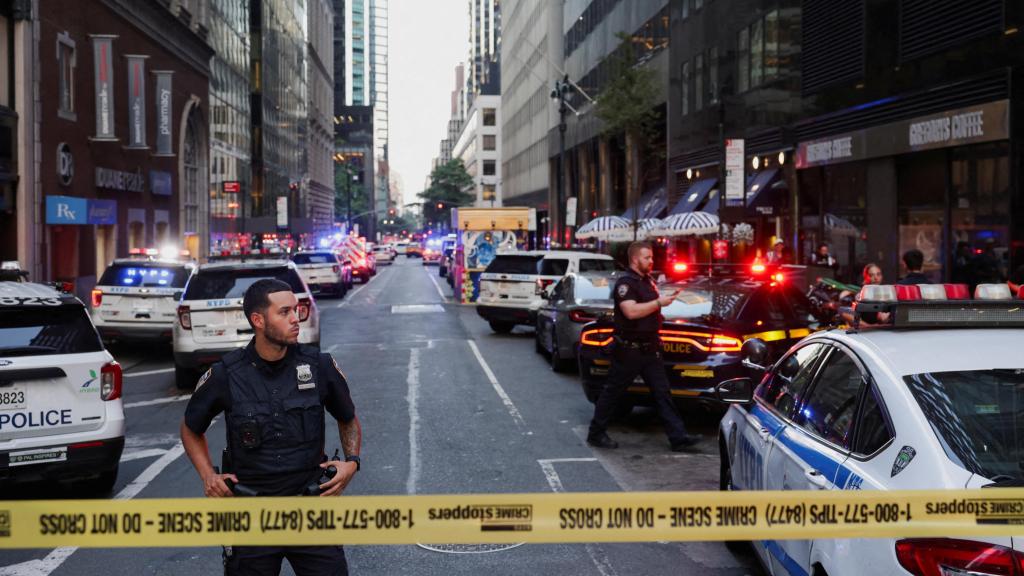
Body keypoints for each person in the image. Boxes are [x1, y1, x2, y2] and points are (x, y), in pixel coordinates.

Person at [180, 279, 362, 576]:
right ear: (258, 320)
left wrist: (352, 463)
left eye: (296, 310)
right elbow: (190, 428)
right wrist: (208, 476)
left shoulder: (319, 366)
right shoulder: (227, 374)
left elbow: (348, 417)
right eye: (285, 312)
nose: (295, 319)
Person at [587, 241, 701, 452]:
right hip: (629, 350)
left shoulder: (647, 281)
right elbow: (631, 312)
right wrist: (659, 303)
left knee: (662, 393)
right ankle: (596, 433)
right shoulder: (626, 283)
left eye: (651, 257)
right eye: (647, 257)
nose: (651, 261)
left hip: (650, 348)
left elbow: (648, 311)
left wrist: (658, 315)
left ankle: (678, 438)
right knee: (612, 392)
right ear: (635, 259)